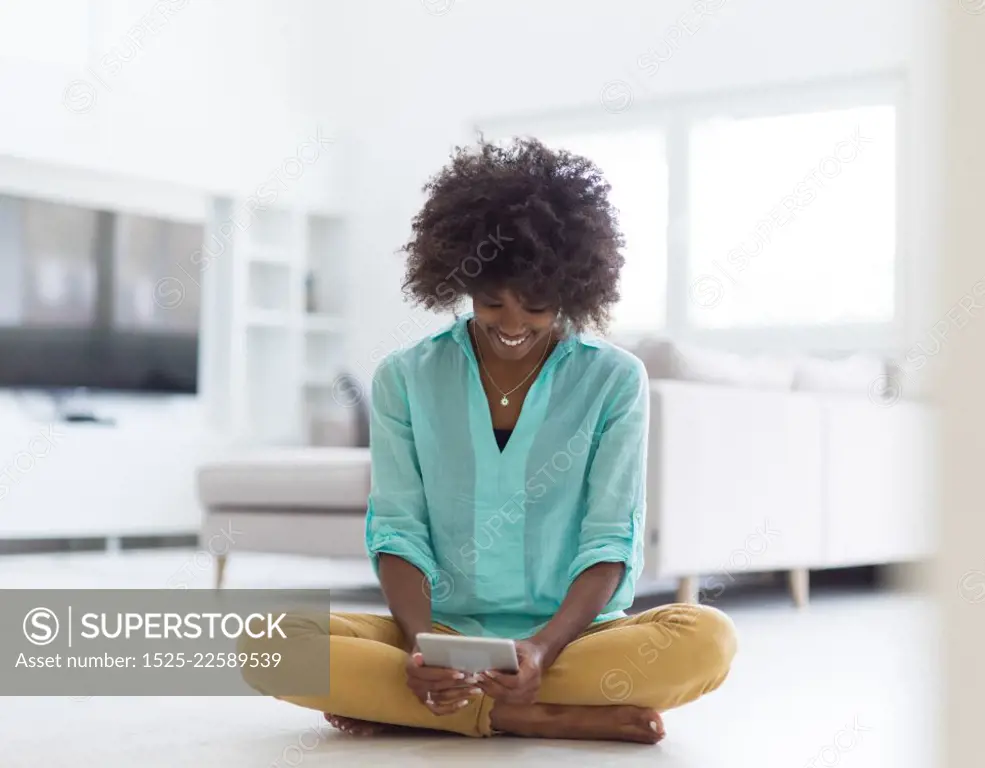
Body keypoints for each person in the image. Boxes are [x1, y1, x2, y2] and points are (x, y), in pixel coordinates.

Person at [241, 137, 737, 744]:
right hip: (440, 638)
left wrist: (541, 649)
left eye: (536, 306)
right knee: (264, 643)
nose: (510, 325)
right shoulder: (406, 378)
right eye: (490, 301)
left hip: (574, 640)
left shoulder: (614, 380)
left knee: (709, 639)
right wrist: (425, 651)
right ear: (460, 278)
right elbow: (398, 530)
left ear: (573, 288)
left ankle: (425, 707)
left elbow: (610, 539)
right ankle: (524, 715)